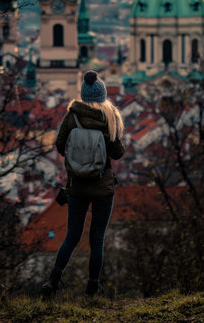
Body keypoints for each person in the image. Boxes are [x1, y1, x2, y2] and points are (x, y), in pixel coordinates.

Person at [41, 70, 125, 298]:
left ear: (84, 95)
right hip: (102, 187)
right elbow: (117, 153)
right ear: (102, 96)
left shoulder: (73, 116)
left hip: (76, 185)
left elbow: (59, 145)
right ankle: (92, 286)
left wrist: (77, 157)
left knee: (71, 237)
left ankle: (52, 280)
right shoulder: (109, 118)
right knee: (97, 240)